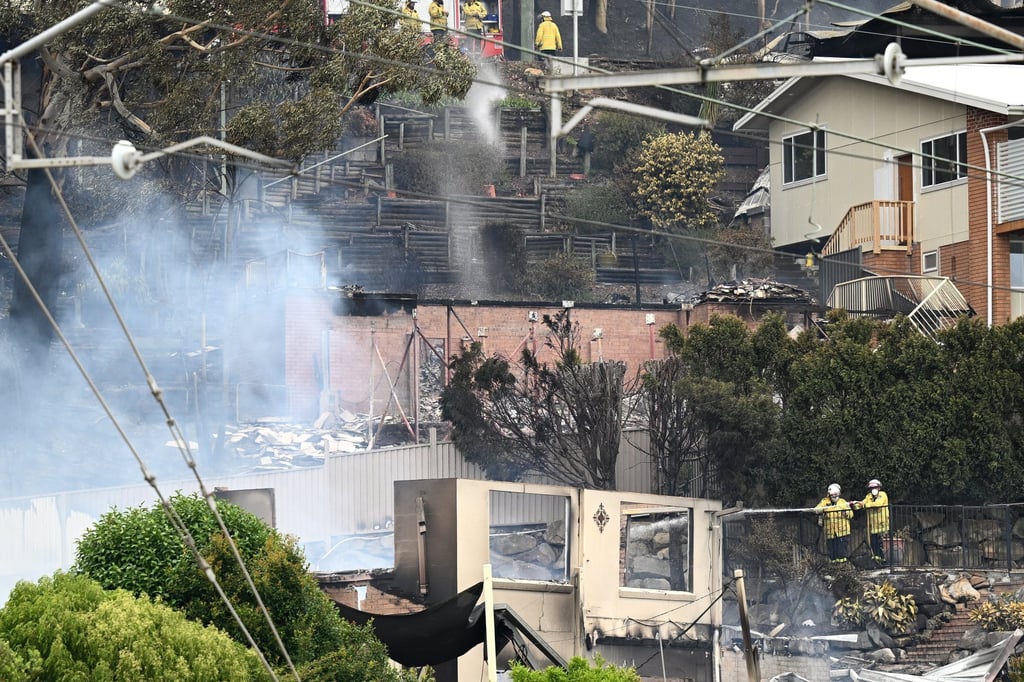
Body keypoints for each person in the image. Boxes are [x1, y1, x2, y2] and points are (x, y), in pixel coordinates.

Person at [852, 478, 890, 564]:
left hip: (882, 524)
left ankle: (885, 561)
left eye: (875, 487)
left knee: (881, 544)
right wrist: (854, 505)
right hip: (873, 526)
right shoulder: (868, 497)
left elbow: (878, 504)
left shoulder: (883, 495)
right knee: (874, 543)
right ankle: (877, 561)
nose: (873, 490)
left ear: (879, 488)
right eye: (871, 488)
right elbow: (862, 504)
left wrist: (865, 505)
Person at [814, 483, 853, 563]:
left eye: (836, 495)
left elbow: (851, 514)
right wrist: (823, 508)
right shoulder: (825, 501)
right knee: (832, 552)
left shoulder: (843, 502)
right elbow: (816, 510)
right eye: (833, 495)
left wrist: (846, 513)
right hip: (830, 533)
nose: (835, 497)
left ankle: (843, 566)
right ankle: (835, 567)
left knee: (842, 552)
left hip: (843, 532)